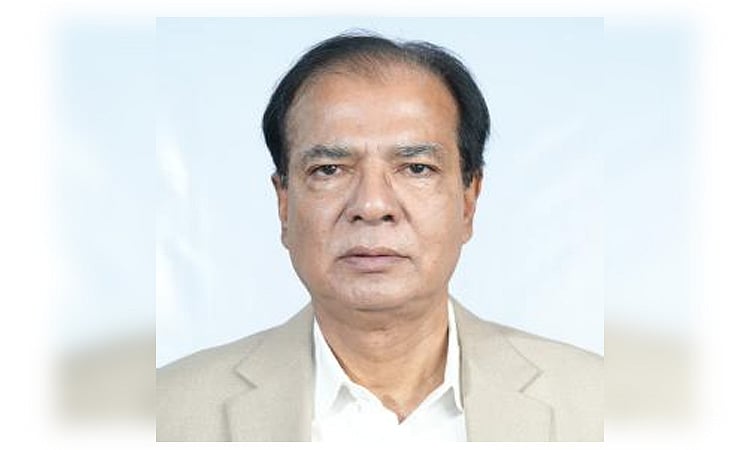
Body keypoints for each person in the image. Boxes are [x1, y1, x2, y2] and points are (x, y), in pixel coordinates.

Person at [156, 31, 603, 442]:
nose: (372, 205)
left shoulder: (595, 403)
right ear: (284, 204)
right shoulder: (168, 412)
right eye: (329, 169)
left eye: (416, 168)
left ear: (469, 200)